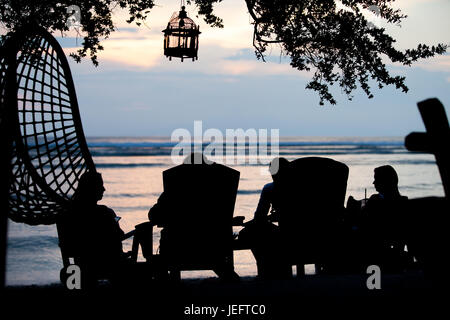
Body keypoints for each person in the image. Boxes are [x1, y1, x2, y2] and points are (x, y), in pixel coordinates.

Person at [64, 170, 129, 286]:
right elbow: (119, 235)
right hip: (107, 263)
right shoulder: (105, 212)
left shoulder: (70, 213)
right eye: (101, 186)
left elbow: (69, 244)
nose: (104, 189)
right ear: (92, 189)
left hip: (81, 263)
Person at [238, 157, 291, 279]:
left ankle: (264, 268)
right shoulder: (301, 188)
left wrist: (252, 223)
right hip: (301, 232)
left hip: (283, 234)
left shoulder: (270, 188)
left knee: (248, 233)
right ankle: (276, 269)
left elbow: (259, 217)